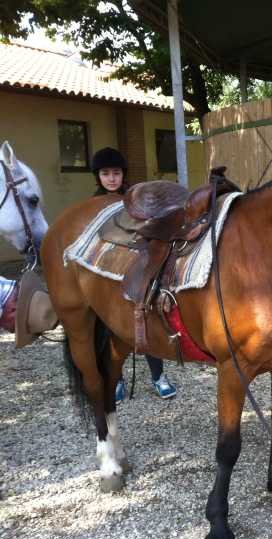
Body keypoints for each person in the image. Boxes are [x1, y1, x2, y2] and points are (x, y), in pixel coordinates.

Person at [90, 147, 177, 401]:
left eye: (116, 173)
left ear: (123, 174)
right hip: (106, 269)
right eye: (106, 173)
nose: (111, 178)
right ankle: (116, 378)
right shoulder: (92, 204)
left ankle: (158, 376)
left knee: (144, 319)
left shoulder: (134, 199)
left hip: (134, 266)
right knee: (110, 328)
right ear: (98, 176)